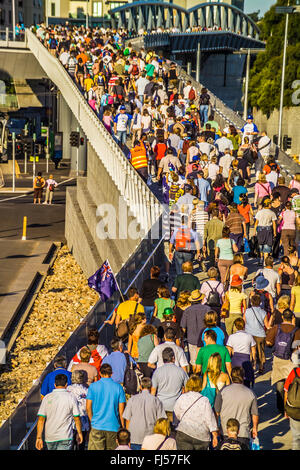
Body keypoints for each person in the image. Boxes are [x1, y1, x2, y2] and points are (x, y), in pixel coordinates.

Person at [214, 366, 259, 449]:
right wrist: (255, 428)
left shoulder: (223, 391)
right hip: (243, 432)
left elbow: (216, 412)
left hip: (226, 431)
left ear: (231, 376)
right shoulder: (250, 393)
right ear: (243, 377)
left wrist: (216, 428)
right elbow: (254, 414)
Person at [36, 374, 83, 451]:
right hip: (65, 436)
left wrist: (39, 437)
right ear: (66, 384)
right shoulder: (71, 397)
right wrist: (79, 432)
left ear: (55, 384)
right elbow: (76, 417)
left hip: (50, 437)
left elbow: (41, 419)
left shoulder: (47, 398)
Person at [266, 309, 300, 414]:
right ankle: (289, 404)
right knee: (291, 383)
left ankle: (281, 407)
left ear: (282, 317)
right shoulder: (297, 330)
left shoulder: (276, 328)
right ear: (292, 318)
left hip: (278, 359)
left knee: (279, 384)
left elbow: (268, 342)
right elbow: (297, 346)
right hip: (291, 359)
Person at [86, 363, 126, 450]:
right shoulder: (118, 387)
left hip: (97, 425)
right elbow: (121, 410)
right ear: (111, 373)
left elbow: (88, 407)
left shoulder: (93, 386)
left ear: (100, 373)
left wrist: (91, 421)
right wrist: (123, 426)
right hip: (113, 426)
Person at [173, 374, 218, 450]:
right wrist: (214, 435)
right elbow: (210, 419)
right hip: (201, 436)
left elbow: (176, 412)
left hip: (184, 432)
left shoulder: (182, 397)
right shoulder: (205, 400)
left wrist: (183, 418)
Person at [123, 377, 166, 450]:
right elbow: (161, 420)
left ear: (140, 386)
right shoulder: (156, 401)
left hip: (134, 437)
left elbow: (128, 420)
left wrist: (128, 437)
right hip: (150, 437)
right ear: (151, 387)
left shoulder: (132, 399)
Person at [150, 347, 188, 423]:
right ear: (173, 358)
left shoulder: (157, 372)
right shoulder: (181, 371)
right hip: (175, 407)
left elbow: (153, 393)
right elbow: (187, 389)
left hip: (161, 407)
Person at [180, 290, 211, 372]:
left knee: (194, 362)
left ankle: (195, 378)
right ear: (201, 299)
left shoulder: (187, 310)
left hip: (192, 340)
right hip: (205, 339)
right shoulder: (207, 309)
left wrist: (182, 339)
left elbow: (183, 327)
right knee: (205, 361)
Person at [226, 317, 256, 388]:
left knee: (235, 380)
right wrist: (254, 362)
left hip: (235, 360)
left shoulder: (231, 337)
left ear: (235, 326)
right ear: (244, 325)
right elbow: (253, 351)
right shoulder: (249, 336)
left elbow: (228, 351)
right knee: (246, 381)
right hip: (246, 359)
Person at [244, 293, 269, 374]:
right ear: (260, 302)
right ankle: (261, 366)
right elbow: (267, 325)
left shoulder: (247, 311)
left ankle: (252, 365)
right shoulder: (263, 312)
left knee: (251, 351)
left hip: (249, 334)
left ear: (251, 302)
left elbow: (244, 321)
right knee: (260, 351)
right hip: (260, 334)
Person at [67, 369, 90, 450]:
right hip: (84, 421)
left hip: (71, 422)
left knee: (70, 446)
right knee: (81, 445)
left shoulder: (68, 389)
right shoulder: (87, 390)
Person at [283, 348, 300, 450]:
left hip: (294, 409)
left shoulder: (294, 372)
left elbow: (286, 391)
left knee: (296, 437)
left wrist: (286, 408)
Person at [254, 198, 277, 267]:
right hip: (268, 230)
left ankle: (261, 259)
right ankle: (265, 261)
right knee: (267, 246)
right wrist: (275, 232)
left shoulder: (259, 212)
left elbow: (256, 223)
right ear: (269, 204)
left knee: (261, 245)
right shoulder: (272, 213)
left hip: (260, 229)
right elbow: (274, 224)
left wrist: (254, 231)